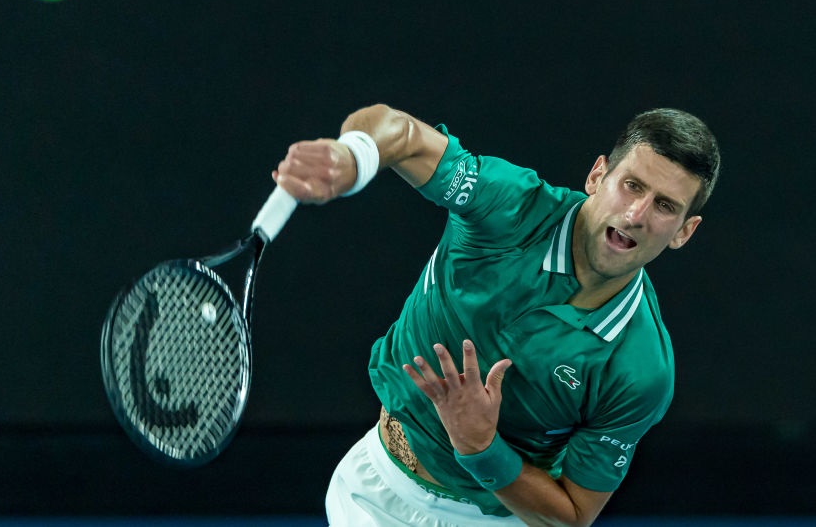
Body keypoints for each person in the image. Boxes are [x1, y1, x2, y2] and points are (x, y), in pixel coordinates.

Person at [272, 103, 720, 527]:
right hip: (374, 489)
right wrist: (354, 156)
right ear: (597, 175)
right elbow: (404, 134)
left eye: (665, 206)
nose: (637, 214)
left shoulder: (641, 369)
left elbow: (573, 514)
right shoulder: (506, 207)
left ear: (684, 232)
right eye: (632, 185)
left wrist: (481, 446)